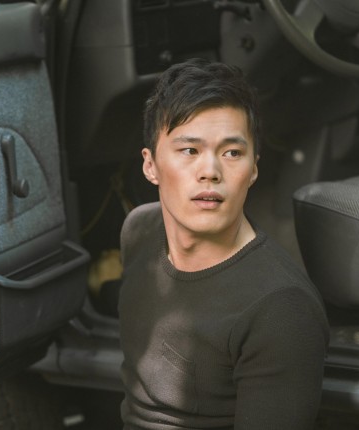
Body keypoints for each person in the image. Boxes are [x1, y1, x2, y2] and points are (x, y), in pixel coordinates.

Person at [118, 58, 329, 429]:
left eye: (232, 153)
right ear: (150, 166)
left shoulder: (281, 308)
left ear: (254, 169)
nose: (211, 172)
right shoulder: (139, 232)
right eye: (189, 150)